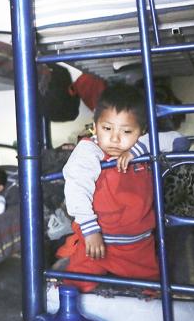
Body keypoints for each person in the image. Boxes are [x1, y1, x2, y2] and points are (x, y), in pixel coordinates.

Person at [56, 85, 160, 293]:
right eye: (107, 128)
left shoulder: (143, 149)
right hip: (96, 242)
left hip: (137, 245)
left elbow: (178, 140)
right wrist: (89, 229)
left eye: (127, 131)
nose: (114, 138)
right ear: (95, 126)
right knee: (72, 287)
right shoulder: (89, 151)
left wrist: (137, 150)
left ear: (143, 131)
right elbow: (76, 188)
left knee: (155, 288)